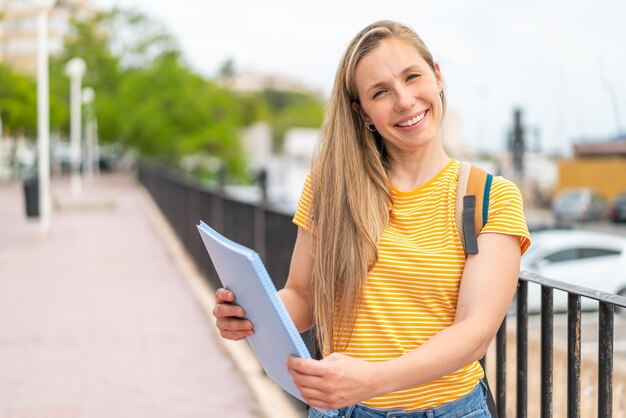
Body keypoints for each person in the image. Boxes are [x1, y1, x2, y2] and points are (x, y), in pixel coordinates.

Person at [213, 20, 530, 418]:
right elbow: (302, 295)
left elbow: (474, 332)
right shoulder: (330, 187)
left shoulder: (490, 197)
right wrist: (250, 315)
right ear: (361, 112)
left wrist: (373, 379)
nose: (404, 100)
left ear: (437, 76)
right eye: (381, 92)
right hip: (340, 410)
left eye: (412, 77)